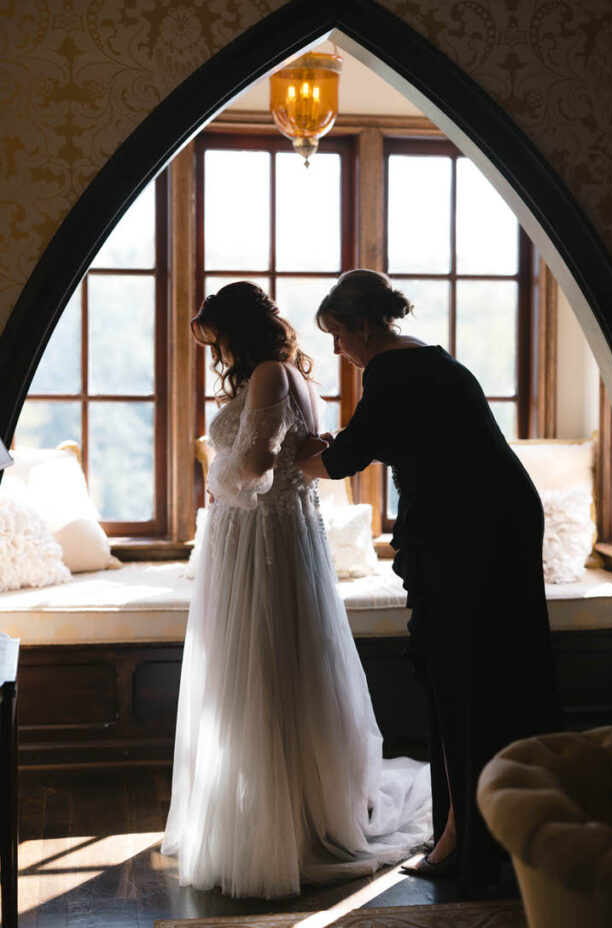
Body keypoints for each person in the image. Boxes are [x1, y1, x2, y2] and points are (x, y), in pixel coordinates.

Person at [297, 269, 563, 898]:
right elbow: (396, 438)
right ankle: (499, 829)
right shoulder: (431, 359)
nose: (337, 349)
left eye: (338, 335)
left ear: (362, 326)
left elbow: (342, 460)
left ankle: (461, 843)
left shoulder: (389, 371)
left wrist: (283, 461)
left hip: (465, 537)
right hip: (497, 521)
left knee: (460, 680)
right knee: (500, 671)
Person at [161, 281, 431, 900]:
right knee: (276, 669)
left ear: (237, 330)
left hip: (261, 536)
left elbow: (254, 466)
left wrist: (211, 466)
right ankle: (289, 811)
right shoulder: (292, 377)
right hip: (269, 533)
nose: (216, 354)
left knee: (263, 670)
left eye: (217, 339)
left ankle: (279, 828)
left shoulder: (269, 376)